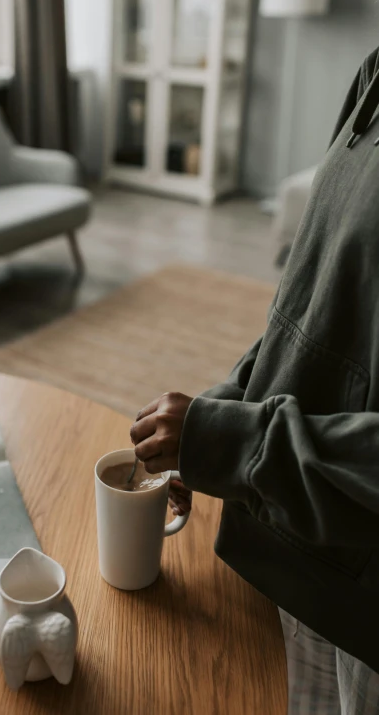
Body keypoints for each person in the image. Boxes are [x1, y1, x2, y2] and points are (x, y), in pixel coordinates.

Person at [130, 48, 379, 714]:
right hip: (293, 542)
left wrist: (229, 442)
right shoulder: (374, 73)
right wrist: (219, 410)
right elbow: (307, 302)